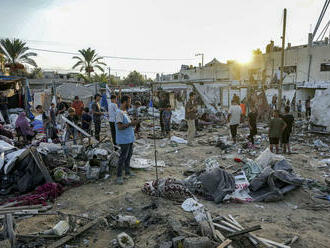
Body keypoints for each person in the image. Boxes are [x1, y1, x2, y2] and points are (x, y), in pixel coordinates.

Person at [115, 95, 138, 184]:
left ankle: (127, 171)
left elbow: (128, 123)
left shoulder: (125, 112)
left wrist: (133, 123)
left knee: (129, 155)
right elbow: (120, 127)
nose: (130, 103)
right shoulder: (119, 113)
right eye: (129, 102)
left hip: (129, 137)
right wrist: (130, 124)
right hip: (124, 139)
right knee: (123, 157)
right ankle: (119, 176)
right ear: (125, 102)